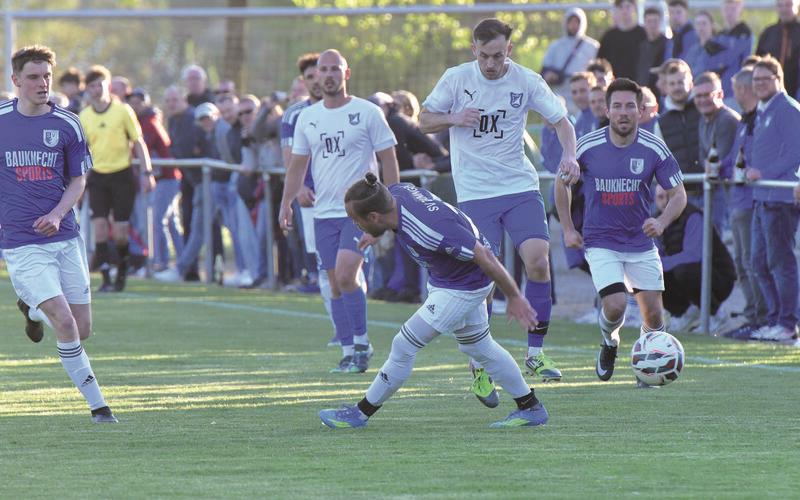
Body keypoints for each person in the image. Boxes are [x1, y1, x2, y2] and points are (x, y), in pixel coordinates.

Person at [419, 18, 580, 385]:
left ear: (509, 50)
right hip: (475, 193)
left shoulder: (525, 80)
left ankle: (535, 354)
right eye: (484, 55)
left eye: (497, 55)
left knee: (539, 263)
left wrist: (570, 156)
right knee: (484, 281)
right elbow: (423, 119)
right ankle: (480, 363)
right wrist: (454, 117)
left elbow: (562, 122)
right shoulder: (457, 78)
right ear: (473, 50)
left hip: (519, 186)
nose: (490, 64)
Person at [318, 173, 549, 429]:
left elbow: (484, 256)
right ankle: (530, 407)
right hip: (449, 280)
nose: (356, 225)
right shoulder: (396, 192)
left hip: (462, 287)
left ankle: (359, 414)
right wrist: (376, 233)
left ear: (373, 216)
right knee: (479, 347)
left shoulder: (430, 229)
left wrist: (515, 296)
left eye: (356, 220)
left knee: (403, 344)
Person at [2, 45, 117, 423]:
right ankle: (100, 408)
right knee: (65, 323)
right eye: (33, 77)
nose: (42, 83)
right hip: (21, 242)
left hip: (65, 238)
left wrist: (57, 212)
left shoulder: (67, 123)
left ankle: (32, 305)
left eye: (47, 76)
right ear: (16, 80)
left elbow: (78, 178)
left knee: (81, 330)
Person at [555, 78, 687, 387]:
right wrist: (568, 229)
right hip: (600, 241)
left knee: (654, 318)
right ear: (607, 109)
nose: (623, 112)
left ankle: (648, 363)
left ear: (641, 111)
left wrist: (662, 221)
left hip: (640, 242)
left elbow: (679, 193)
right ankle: (609, 341)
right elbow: (561, 185)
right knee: (614, 305)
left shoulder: (654, 147)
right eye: (617, 106)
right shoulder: (587, 146)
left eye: (630, 106)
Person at [278, 49, 400, 374]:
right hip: (323, 213)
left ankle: (362, 345)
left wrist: (391, 204)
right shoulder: (308, 117)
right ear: (316, 76)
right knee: (334, 283)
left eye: (335, 69)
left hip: (360, 212)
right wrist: (285, 203)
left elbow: (388, 158)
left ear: (346, 74)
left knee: (347, 274)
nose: (328, 75)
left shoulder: (368, 112)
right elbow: (296, 167)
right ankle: (349, 350)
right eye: (323, 70)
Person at [79, 65, 154, 292]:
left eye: (99, 84)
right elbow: (83, 153)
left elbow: (138, 142)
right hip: (98, 178)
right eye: (91, 85)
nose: (95, 89)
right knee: (99, 229)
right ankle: (105, 278)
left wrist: (147, 173)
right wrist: (80, 183)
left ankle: (122, 272)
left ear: (107, 85)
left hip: (122, 175)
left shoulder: (123, 111)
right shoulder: (84, 116)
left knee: (120, 232)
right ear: (88, 89)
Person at [746, 56, 800, 342]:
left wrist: (763, 172)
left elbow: (795, 152)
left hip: (780, 199)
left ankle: (788, 323)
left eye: (765, 79)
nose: (759, 84)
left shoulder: (788, 109)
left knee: (781, 262)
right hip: (762, 198)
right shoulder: (764, 110)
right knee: (759, 262)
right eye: (756, 80)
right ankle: (774, 318)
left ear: (778, 80)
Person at [721, 67, 768, 339]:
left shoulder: (761, 119)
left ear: (743, 89)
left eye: (736, 88)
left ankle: (762, 317)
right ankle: (753, 313)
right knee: (742, 262)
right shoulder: (745, 121)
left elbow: (754, 160)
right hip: (737, 201)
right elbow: (733, 158)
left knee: (754, 262)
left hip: (751, 203)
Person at [655, 187, 736, 333]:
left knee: (684, 270)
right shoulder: (656, 220)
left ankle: (716, 314)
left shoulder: (693, 216)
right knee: (649, 274)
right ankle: (682, 314)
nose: (665, 202)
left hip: (719, 278)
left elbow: (693, 255)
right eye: (660, 197)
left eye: (669, 196)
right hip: (686, 276)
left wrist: (660, 264)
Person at [540, 7, 599, 110]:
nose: (573, 25)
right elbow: (544, 71)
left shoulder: (593, 46)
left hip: (585, 95)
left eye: (577, 22)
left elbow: (599, 71)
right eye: (570, 22)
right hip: (561, 93)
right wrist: (550, 75)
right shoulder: (555, 46)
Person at [756, 0, 800, 98]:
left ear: (797, 6)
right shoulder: (768, 33)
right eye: (781, 5)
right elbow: (757, 64)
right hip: (769, 95)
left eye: (788, 5)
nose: (784, 9)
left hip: (795, 96)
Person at [597, 0, 647, 80]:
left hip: (639, 83)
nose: (624, 11)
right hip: (615, 84)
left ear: (634, 8)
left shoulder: (644, 34)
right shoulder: (609, 36)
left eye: (628, 7)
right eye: (621, 7)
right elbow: (601, 62)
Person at [636, 6, 667, 94]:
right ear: (644, 23)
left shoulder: (668, 44)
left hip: (660, 92)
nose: (652, 25)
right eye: (649, 21)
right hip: (642, 92)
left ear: (660, 22)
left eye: (655, 21)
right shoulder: (641, 47)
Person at [570, 71, 598, 138]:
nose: (578, 96)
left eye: (582, 90)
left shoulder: (603, 116)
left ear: (593, 90)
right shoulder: (578, 117)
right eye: (574, 92)